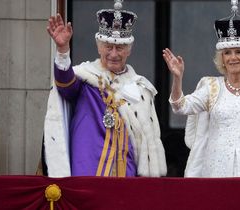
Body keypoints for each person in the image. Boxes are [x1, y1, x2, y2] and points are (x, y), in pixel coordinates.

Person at [38, 0, 167, 177]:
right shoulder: (86, 79)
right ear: (99, 47)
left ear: (129, 50)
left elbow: (146, 143)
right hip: (88, 171)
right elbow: (65, 84)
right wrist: (62, 50)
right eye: (108, 47)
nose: (114, 54)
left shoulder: (141, 89)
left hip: (127, 175)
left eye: (120, 48)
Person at [163, 2, 240, 177]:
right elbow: (180, 106)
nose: (233, 57)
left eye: (238, 52)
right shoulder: (211, 87)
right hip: (217, 170)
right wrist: (178, 78)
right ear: (222, 58)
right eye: (227, 53)